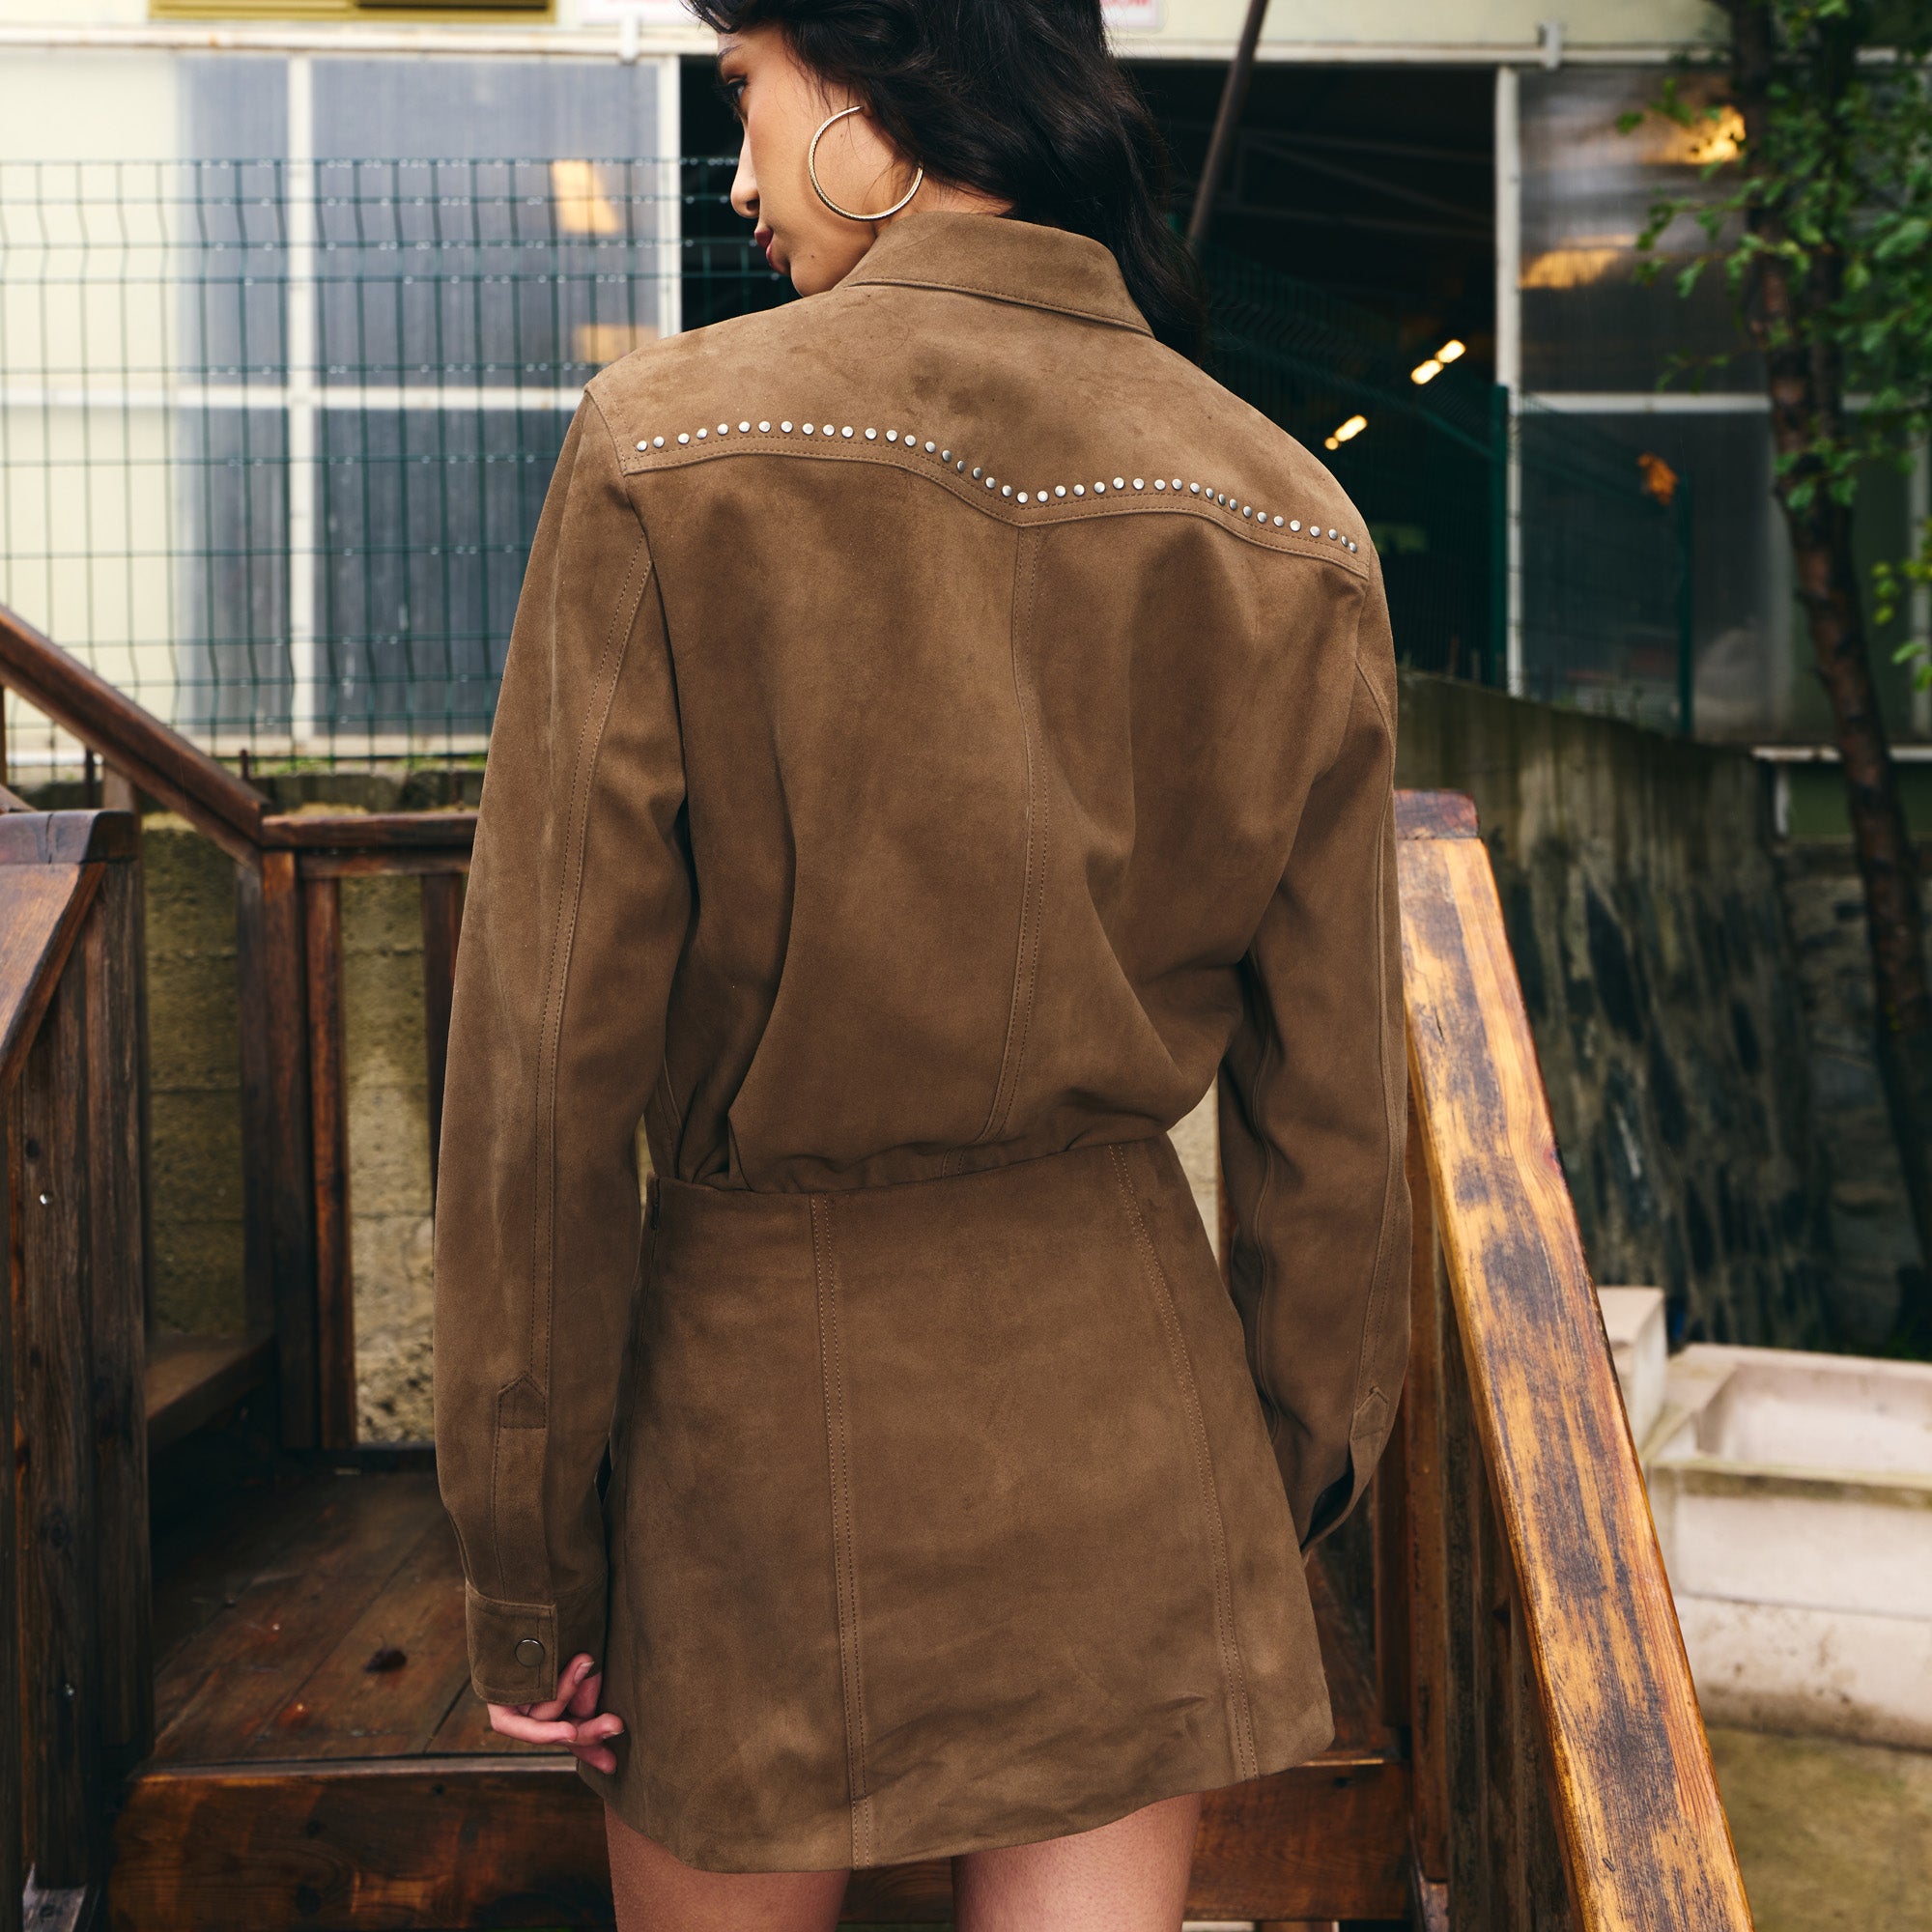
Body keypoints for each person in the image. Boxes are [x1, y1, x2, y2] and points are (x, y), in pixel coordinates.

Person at [431, 3, 1410, 1926]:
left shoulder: (665, 453)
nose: (736, 176)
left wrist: (528, 1559)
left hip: (752, 1452)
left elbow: (543, 1077)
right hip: (1135, 1451)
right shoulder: (1291, 515)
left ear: (885, 90)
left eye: (747, 91)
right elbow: (1337, 1121)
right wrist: (1272, 1488)